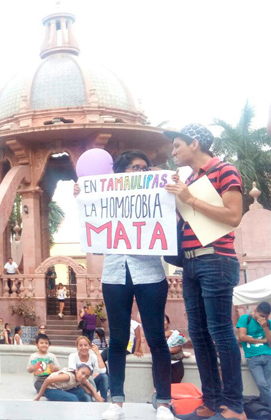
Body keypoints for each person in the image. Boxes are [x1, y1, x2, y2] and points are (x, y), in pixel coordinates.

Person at [76, 150, 173, 420]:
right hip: (115, 274)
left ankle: (163, 402)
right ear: (119, 173)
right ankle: (116, 402)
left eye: (144, 168)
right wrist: (82, 195)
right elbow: (91, 221)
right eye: (134, 168)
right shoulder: (104, 196)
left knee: (156, 338)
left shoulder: (157, 194)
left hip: (150, 273)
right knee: (118, 339)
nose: (139, 172)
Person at [165, 124, 245, 420]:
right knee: (198, 334)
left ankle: (234, 406)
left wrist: (190, 199)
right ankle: (211, 401)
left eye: (177, 145)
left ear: (194, 143)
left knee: (221, 332)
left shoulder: (225, 170)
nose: (173, 151)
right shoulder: (190, 179)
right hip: (189, 263)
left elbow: (234, 216)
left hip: (216, 259)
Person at [237, 302, 271, 408]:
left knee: (269, 385)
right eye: (261, 316)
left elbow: (270, 341)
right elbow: (242, 337)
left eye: (265, 317)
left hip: (267, 355)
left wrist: (265, 328)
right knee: (261, 384)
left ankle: (266, 409)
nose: (263, 319)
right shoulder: (245, 319)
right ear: (255, 310)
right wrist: (261, 340)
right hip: (252, 357)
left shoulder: (268, 323)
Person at [68, 336, 110, 402]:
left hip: (91, 384)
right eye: (80, 345)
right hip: (78, 386)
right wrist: (94, 394)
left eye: (86, 345)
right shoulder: (72, 356)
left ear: (89, 346)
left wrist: (98, 354)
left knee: (104, 377)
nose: (83, 348)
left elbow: (102, 371)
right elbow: (75, 375)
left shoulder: (93, 357)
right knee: (88, 399)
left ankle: (103, 401)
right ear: (77, 347)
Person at [35, 364, 104, 403]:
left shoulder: (81, 378)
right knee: (73, 398)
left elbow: (87, 384)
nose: (83, 376)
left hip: (62, 389)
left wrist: (96, 395)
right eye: (82, 373)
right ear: (76, 370)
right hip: (50, 389)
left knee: (81, 391)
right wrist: (38, 396)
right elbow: (48, 380)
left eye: (86, 376)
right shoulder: (68, 376)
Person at [165, 315, 186, 384]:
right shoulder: (155, 335)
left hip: (175, 364)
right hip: (160, 365)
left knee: (175, 386)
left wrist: (163, 350)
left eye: (164, 320)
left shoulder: (176, 334)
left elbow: (177, 348)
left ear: (168, 322)